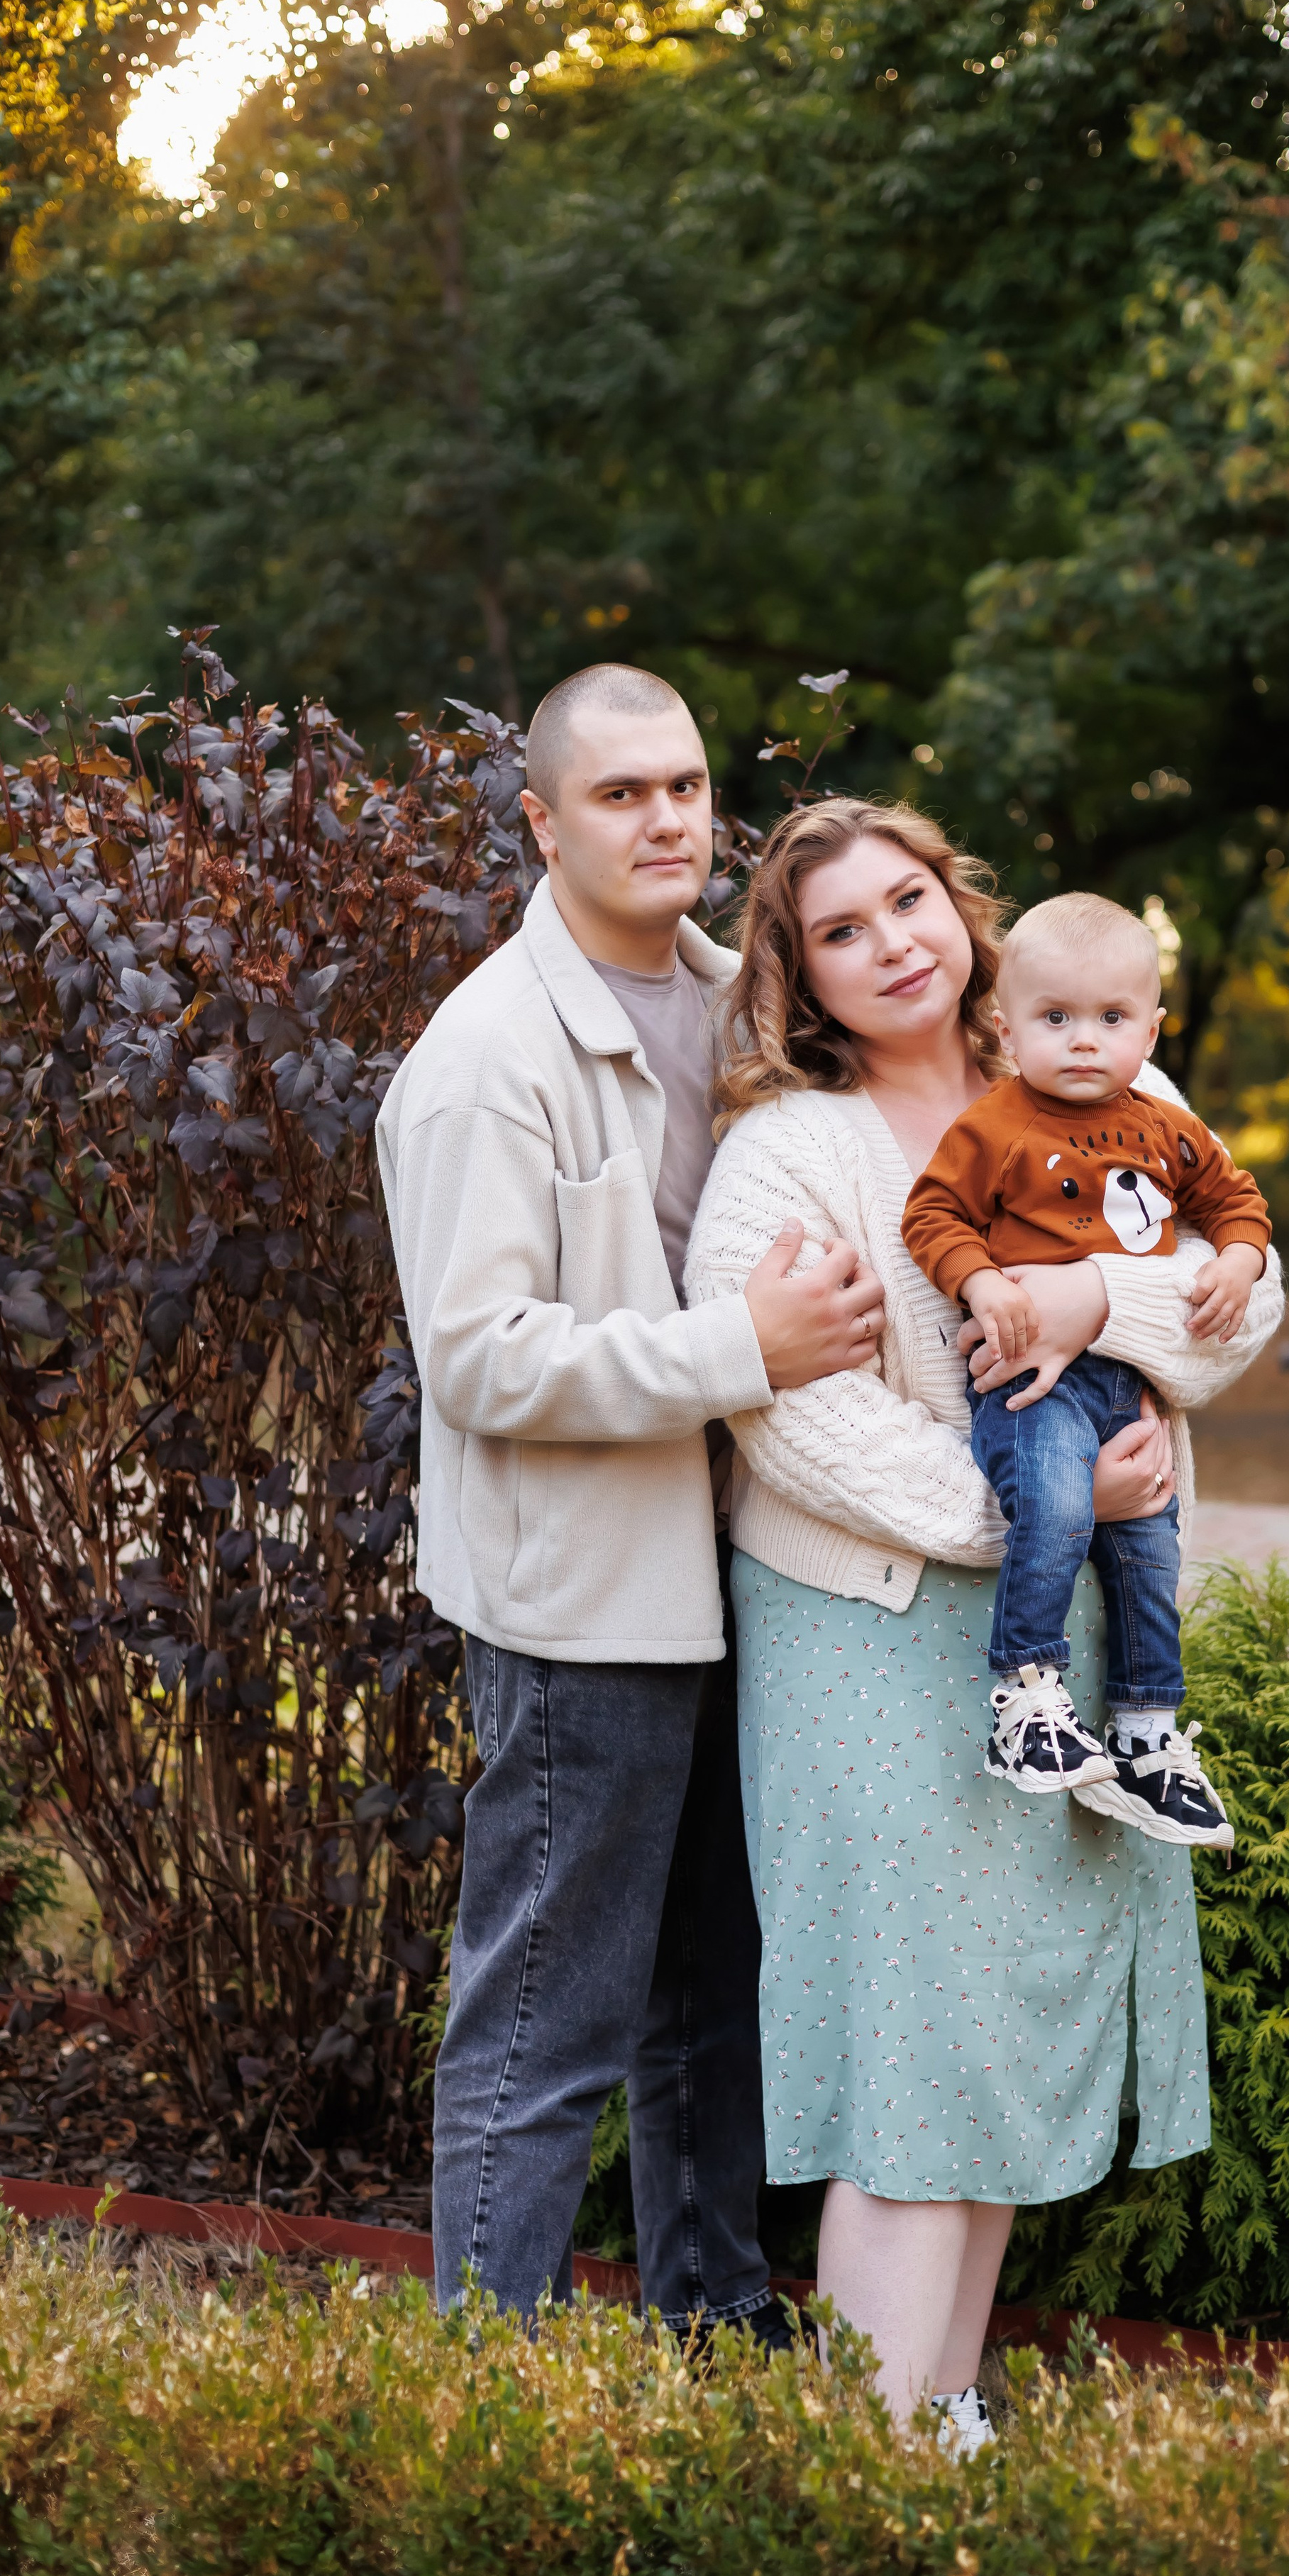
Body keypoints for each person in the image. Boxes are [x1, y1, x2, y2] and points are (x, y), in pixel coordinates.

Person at [684, 796, 1283, 2440]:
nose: (890, 944)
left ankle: (938, 2413)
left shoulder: (1094, 1072)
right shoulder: (787, 1153)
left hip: (1060, 1640)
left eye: (907, 901)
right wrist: (1042, 1507)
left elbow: (1243, 1301)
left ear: (959, 911)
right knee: (912, 2048)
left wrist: (1091, 1297)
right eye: (840, 930)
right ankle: (868, 2454)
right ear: (799, 974)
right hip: (865, 1632)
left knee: (998, 2029)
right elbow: (788, 1419)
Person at [375, 664, 886, 2333]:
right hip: (583, 1607)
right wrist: (740, 1349)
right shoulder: (485, 1057)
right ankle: (484, 2378)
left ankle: (712, 2326)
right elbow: (478, 1359)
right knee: (546, 2018)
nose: (666, 819)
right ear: (541, 822)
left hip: (750, 1575)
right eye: (619, 794)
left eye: (683, 786)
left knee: (714, 2001)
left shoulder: (749, 1008)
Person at [901, 892, 1271, 1842]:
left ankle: (1148, 1734)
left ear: (1151, 1029)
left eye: (1111, 1018)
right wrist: (981, 1281)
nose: (1082, 1040)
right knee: (1059, 1509)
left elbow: (1236, 1201)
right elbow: (932, 1215)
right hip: (1035, 1388)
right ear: (1007, 1028)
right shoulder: (995, 1126)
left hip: (1128, 1386)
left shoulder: (1167, 1127)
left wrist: (1237, 1261)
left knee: (1152, 1554)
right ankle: (1026, 1698)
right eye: (1055, 1017)